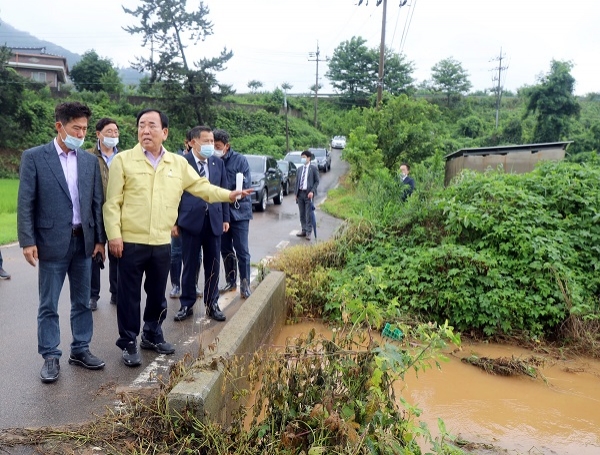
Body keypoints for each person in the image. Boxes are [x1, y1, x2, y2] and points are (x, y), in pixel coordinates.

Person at [103, 109, 252, 368]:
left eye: (151, 126)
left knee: (157, 294)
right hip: (130, 241)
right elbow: (112, 203)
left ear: (165, 132)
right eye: (141, 125)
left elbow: (202, 188)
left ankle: (151, 333)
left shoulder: (177, 163)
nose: (145, 131)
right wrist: (114, 236)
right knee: (128, 296)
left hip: (161, 241)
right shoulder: (123, 161)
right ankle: (128, 341)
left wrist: (229, 195)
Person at [17, 101, 106, 383]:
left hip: (83, 241)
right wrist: (27, 240)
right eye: (75, 128)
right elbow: (25, 202)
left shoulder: (90, 161)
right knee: (49, 304)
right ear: (59, 126)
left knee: (82, 301)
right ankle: (50, 356)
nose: (81, 134)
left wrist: (100, 240)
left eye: (84, 130)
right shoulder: (35, 157)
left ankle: (80, 348)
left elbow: (96, 203)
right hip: (51, 242)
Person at [174, 126, 229, 322]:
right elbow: (175, 194)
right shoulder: (183, 163)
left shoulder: (217, 163)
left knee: (213, 263)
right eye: (206, 141)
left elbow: (222, 191)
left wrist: (225, 218)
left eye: (212, 142)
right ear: (193, 142)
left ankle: (212, 303)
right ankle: (186, 304)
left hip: (213, 220)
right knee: (189, 265)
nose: (210, 145)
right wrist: (174, 222)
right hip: (190, 221)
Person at [213, 129, 253, 299]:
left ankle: (245, 284)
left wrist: (228, 193)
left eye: (218, 146)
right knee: (225, 249)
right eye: (212, 145)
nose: (215, 149)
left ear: (227, 146)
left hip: (239, 213)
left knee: (242, 250)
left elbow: (244, 185)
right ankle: (231, 280)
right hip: (221, 213)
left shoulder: (240, 161)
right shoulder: (212, 162)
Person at [87, 118, 120, 310]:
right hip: (93, 213)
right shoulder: (88, 156)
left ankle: (116, 293)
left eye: (116, 132)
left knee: (117, 253)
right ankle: (93, 296)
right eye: (109, 132)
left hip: (116, 214)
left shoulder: (124, 157)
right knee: (95, 255)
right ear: (98, 134)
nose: (113, 135)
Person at [169, 132, 202, 299]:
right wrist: (174, 222)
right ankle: (175, 285)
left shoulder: (205, 162)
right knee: (176, 252)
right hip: (179, 217)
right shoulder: (178, 162)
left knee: (196, 255)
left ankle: (193, 284)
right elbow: (172, 194)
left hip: (197, 218)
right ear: (188, 142)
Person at [295, 150, 320, 241]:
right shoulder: (299, 169)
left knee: (309, 213)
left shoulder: (313, 169)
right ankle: (304, 230)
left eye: (304, 157)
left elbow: (317, 181)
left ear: (309, 158)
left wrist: (312, 191)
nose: (303, 159)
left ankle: (309, 232)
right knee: (302, 213)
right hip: (300, 193)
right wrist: (296, 193)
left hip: (309, 194)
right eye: (301, 157)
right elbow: (297, 182)